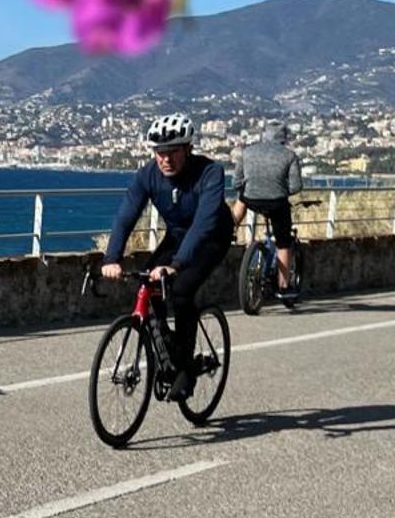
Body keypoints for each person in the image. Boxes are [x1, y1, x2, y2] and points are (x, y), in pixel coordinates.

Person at [100, 113, 232, 401]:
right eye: (159, 152)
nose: (166, 159)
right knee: (148, 283)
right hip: (177, 235)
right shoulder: (148, 175)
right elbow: (126, 214)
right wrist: (112, 258)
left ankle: (185, 369)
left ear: (187, 149)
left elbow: (203, 224)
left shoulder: (210, 173)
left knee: (182, 291)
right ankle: (170, 346)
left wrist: (175, 265)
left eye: (173, 151)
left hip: (211, 237)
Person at [230, 123, 305, 296]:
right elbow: (296, 186)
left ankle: (230, 229)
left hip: (251, 199)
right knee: (283, 243)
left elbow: (236, 183)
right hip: (277, 203)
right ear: (283, 139)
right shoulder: (290, 156)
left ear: (263, 136)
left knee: (242, 198)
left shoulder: (246, 152)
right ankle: (284, 286)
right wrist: (279, 189)